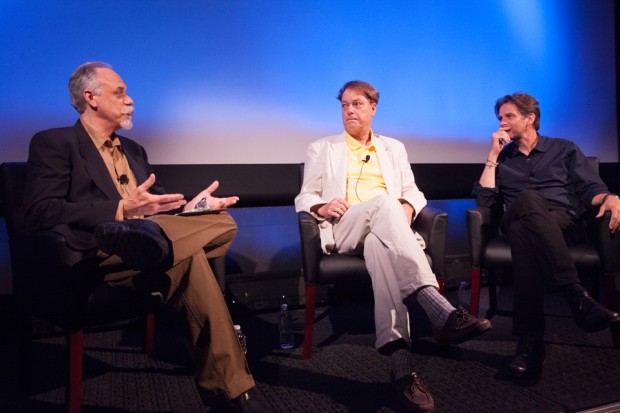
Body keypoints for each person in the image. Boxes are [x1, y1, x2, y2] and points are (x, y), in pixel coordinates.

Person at [23, 62, 269, 413]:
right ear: (90, 97)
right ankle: (235, 396)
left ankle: (155, 240)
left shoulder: (134, 150)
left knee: (222, 220)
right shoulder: (54, 142)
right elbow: (40, 211)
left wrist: (193, 208)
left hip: (147, 243)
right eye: (120, 92)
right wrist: (121, 210)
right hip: (95, 250)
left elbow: (157, 206)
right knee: (190, 257)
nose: (131, 101)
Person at [295, 80, 492, 412]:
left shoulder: (393, 148)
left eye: (356, 104)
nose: (349, 111)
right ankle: (436, 306)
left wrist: (409, 208)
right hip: (345, 227)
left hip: (385, 232)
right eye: (344, 105)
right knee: (384, 203)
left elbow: (413, 192)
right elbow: (305, 196)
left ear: (373, 107)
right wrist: (320, 207)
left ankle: (402, 368)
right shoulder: (322, 148)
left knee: (380, 243)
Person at [473, 92, 620, 382]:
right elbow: (485, 202)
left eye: (509, 116)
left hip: (563, 220)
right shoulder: (502, 158)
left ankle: (530, 344)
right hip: (518, 213)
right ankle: (576, 295)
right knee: (528, 200)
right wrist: (492, 157)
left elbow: (591, 189)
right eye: (500, 118)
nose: (502, 123)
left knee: (523, 233)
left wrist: (611, 196)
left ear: (530, 118)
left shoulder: (564, 149)